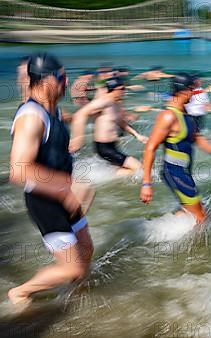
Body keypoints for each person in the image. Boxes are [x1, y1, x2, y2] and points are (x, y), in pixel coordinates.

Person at [8, 53, 95, 306]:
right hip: (45, 202)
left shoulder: (53, 110)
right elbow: (18, 169)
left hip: (63, 195)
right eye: (62, 78)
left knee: (87, 249)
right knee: (73, 268)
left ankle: (75, 297)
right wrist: (62, 188)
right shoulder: (31, 117)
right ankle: (21, 292)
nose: (66, 83)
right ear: (46, 80)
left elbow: (59, 135)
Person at [140, 73, 211, 223]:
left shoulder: (186, 114)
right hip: (175, 173)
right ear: (185, 91)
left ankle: (160, 229)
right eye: (193, 90)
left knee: (197, 211)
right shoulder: (168, 116)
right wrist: (147, 183)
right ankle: (198, 245)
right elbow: (150, 148)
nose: (196, 94)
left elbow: (197, 137)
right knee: (202, 219)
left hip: (184, 172)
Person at [70, 77, 147, 176]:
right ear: (115, 90)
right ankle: (107, 176)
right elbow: (80, 114)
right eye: (122, 89)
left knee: (133, 168)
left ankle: (108, 175)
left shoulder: (116, 104)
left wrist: (137, 135)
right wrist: (78, 138)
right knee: (140, 169)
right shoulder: (104, 101)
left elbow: (121, 122)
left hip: (113, 146)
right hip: (105, 148)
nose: (125, 92)